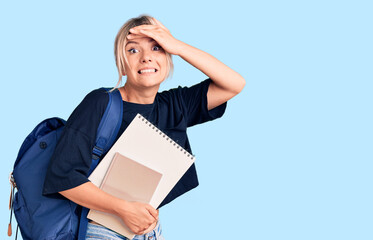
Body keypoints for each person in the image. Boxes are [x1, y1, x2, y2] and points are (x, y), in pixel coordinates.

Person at [42, 14, 245, 240]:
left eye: (157, 48)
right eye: (133, 50)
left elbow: (234, 84)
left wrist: (177, 45)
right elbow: (63, 178)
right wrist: (124, 209)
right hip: (100, 230)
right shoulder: (101, 103)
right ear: (122, 65)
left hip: (149, 230)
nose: (146, 58)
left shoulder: (175, 104)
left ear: (168, 59)